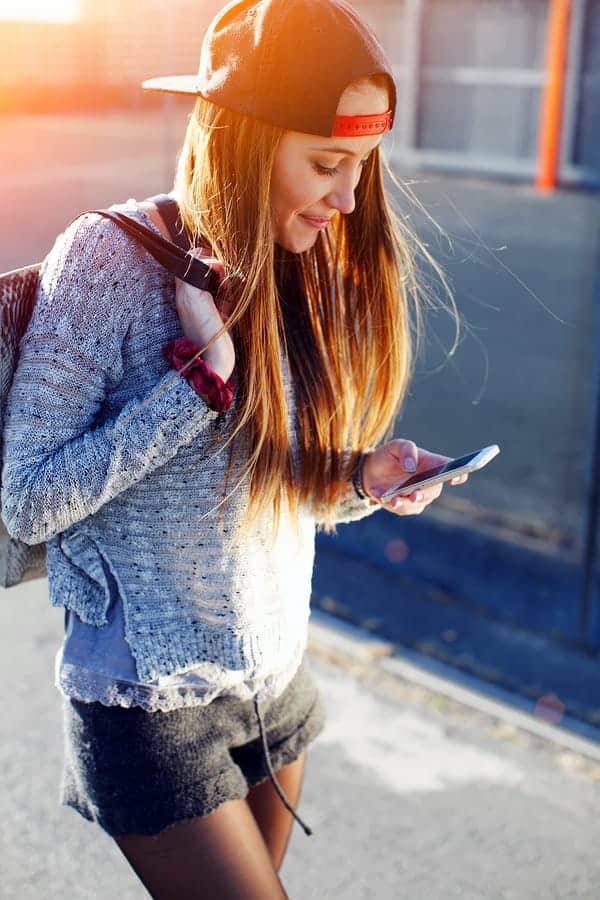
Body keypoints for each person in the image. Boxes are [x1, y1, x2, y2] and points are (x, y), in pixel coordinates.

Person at [1, 1, 468, 897]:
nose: (348, 198)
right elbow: (27, 498)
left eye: (362, 168)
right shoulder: (105, 260)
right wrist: (198, 388)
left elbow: (263, 481)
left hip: (275, 688)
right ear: (245, 144)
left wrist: (357, 478)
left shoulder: (292, 259)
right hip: (148, 710)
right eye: (328, 164)